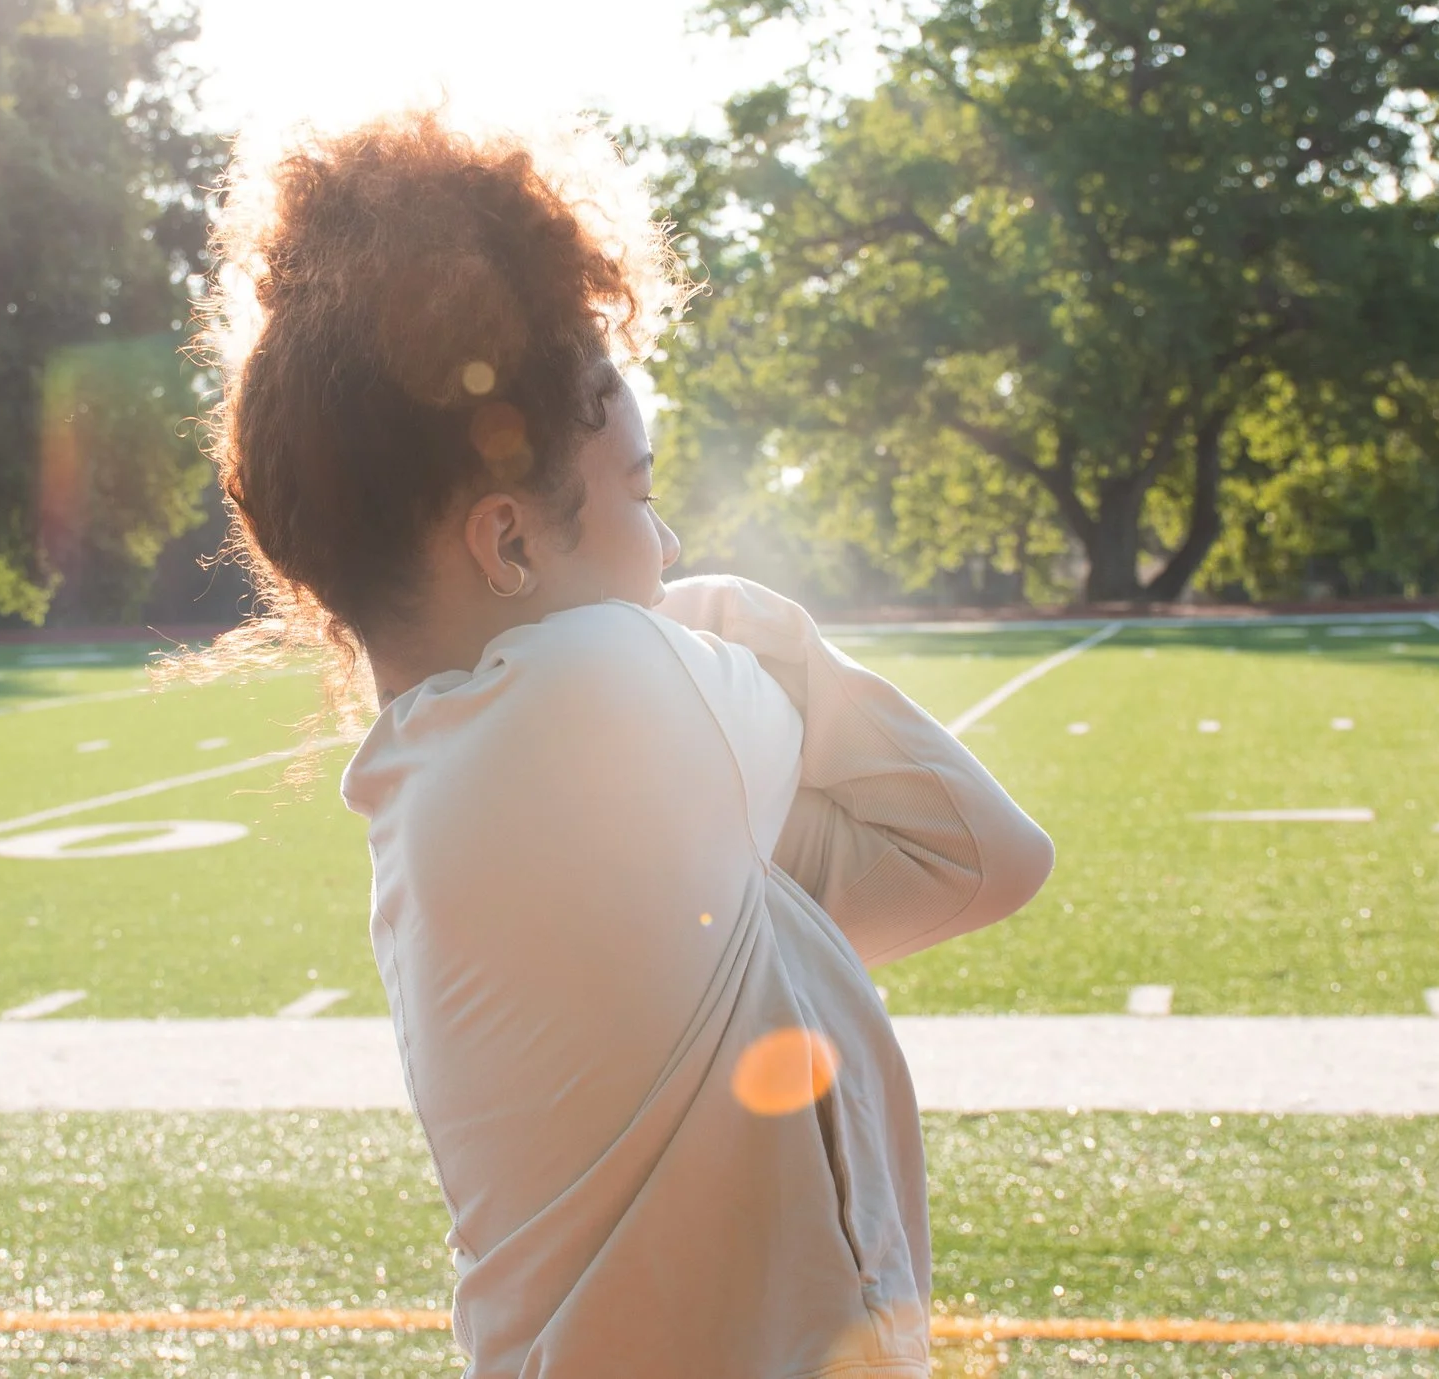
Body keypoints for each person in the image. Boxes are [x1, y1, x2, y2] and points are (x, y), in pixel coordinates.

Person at [192, 107, 1054, 1377]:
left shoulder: (589, 798)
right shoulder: (593, 705)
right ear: (509, 543)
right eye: (642, 495)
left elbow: (979, 856)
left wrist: (698, 629)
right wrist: (721, 617)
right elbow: (984, 846)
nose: (668, 552)